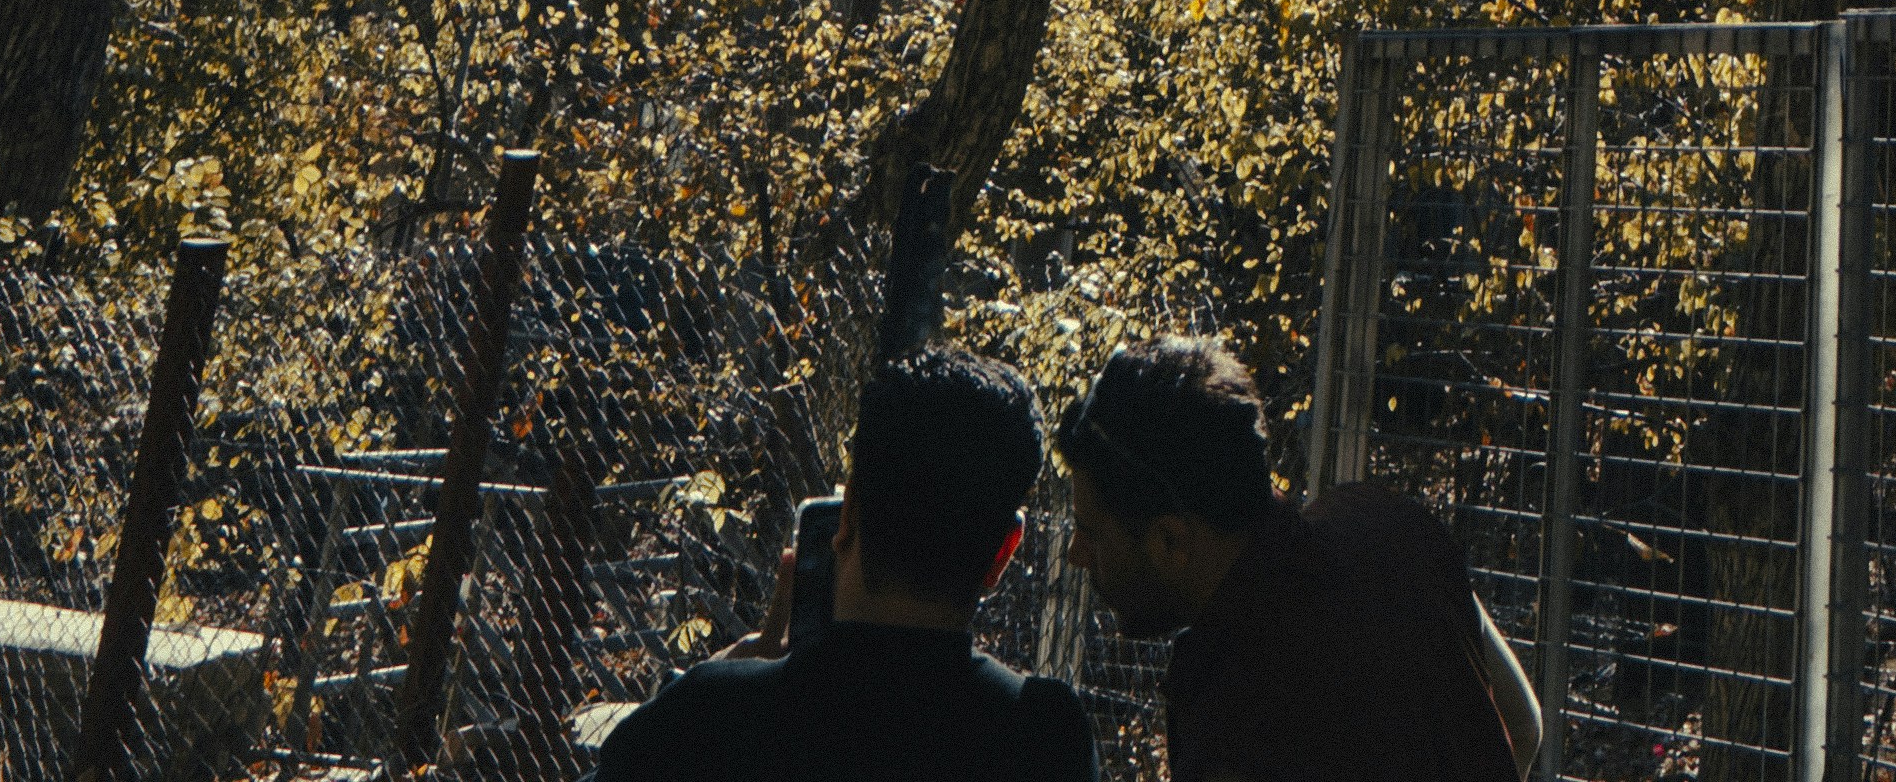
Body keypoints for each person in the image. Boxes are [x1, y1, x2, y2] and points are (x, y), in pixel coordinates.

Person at [1057, 340, 1530, 782]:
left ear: (1170, 544)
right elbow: (1522, 726)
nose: (1076, 554)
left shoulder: (1232, 722)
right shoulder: (1385, 526)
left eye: (1091, 531)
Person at [603, 354, 1094, 766]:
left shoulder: (712, 718)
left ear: (849, 514)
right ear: (1004, 551)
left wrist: (716, 681)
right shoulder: (1045, 736)